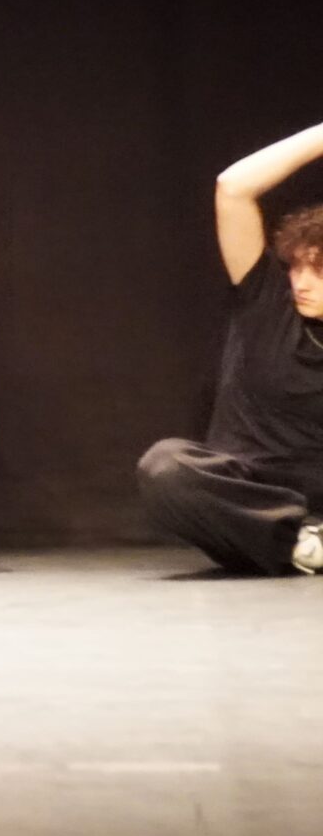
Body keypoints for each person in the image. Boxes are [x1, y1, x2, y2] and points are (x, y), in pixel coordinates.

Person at [135, 118, 323, 576]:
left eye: (318, 270)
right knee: (166, 467)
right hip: (253, 503)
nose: (301, 282)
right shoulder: (267, 301)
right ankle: (298, 544)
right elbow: (234, 188)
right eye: (296, 267)